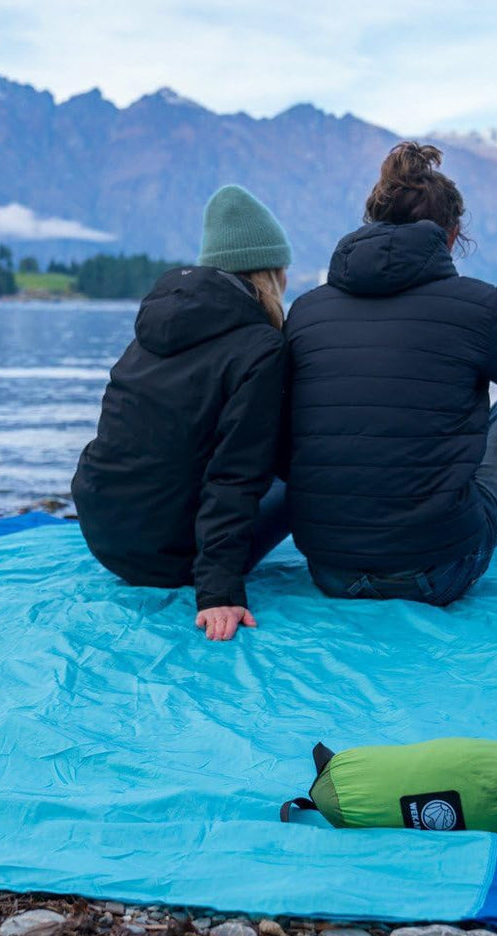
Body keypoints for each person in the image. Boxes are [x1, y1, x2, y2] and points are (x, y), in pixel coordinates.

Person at [282, 142, 497, 606]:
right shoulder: (481, 306)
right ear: (452, 236)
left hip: (328, 568)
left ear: (374, 224)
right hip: (435, 573)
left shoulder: (307, 311)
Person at [72, 185, 292, 641]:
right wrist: (218, 592)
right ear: (272, 272)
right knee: (299, 472)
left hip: (105, 538)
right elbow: (235, 475)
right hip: (169, 557)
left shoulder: (151, 330)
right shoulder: (260, 347)